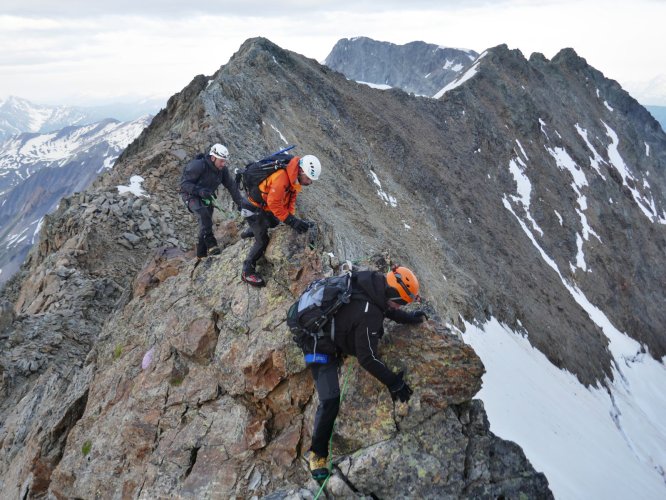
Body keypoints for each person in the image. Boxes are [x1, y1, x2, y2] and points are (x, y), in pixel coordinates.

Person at [305, 266, 427, 480]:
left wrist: (408, 318)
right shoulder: (369, 312)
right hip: (315, 341)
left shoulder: (374, 282)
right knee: (331, 399)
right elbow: (367, 358)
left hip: (330, 323)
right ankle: (317, 455)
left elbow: (386, 306)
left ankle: (341, 342)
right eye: (403, 302)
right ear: (394, 294)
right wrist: (394, 383)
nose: (401, 306)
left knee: (364, 336)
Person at [240, 154, 321, 287]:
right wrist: (291, 221)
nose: (309, 183)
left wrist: (291, 218)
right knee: (262, 241)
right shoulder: (282, 177)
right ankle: (247, 271)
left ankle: (252, 230)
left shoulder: (293, 176)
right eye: (308, 178)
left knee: (275, 223)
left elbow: (291, 199)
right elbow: (274, 204)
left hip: (263, 207)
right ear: (301, 171)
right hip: (253, 208)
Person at [180, 144, 243, 258]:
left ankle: (201, 256)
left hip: (206, 196)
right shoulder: (198, 166)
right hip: (190, 195)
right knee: (204, 216)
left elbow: (231, 186)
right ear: (213, 157)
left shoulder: (222, 170)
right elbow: (184, 184)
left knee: (205, 225)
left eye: (225, 161)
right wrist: (199, 191)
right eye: (221, 161)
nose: (223, 164)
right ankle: (212, 245)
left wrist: (241, 203)